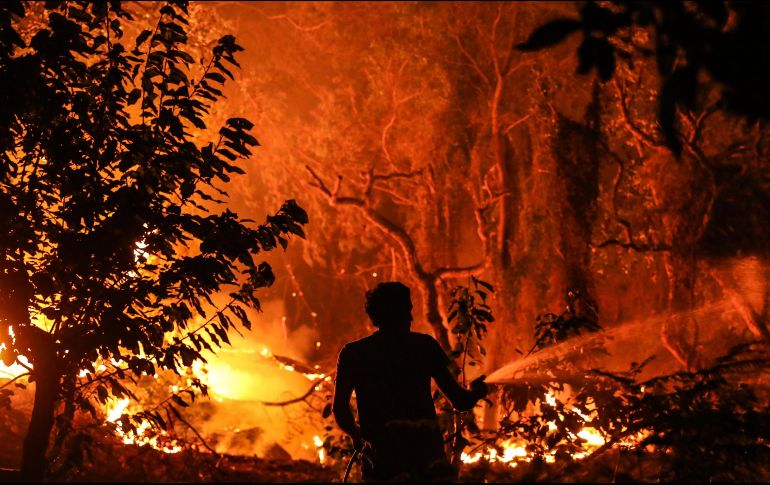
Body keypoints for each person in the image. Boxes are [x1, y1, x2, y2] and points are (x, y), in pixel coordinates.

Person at [333, 282, 488, 482]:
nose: (411, 317)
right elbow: (460, 401)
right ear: (397, 313)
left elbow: (339, 409)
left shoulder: (353, 353)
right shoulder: (424, 346)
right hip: (426, 457)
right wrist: (476, 391)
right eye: (407, 310)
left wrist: (358, 437)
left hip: (381, 460)